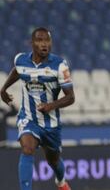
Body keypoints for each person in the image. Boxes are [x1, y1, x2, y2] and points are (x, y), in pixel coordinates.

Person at [0, 27, 74, 190]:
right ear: (31, 43)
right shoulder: (20, 60)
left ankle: (61, 181)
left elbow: (71, 97)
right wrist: (3, 89)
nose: (44, 44)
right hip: (29, 117)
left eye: (47, 40)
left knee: (53, 160)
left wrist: (50, 106)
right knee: (27, 148)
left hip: (51, 123)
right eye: (40, 40)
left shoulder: (60, 66)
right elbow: (17, 71)